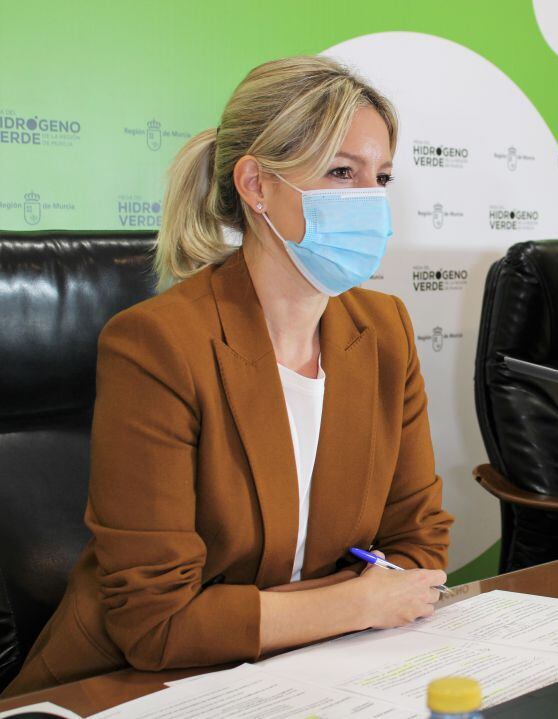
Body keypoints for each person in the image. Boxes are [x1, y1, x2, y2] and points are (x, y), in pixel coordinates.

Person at [2, 56, 453, 696]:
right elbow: (158, 624)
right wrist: (357, 603)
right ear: (256, 185)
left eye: (380, 176)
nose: (370, 199)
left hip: (320, 672)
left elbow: (420, 545)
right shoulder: (157, 344)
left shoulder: (384, 330)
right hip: (129, 686)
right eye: (341, 171)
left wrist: (326, 611)